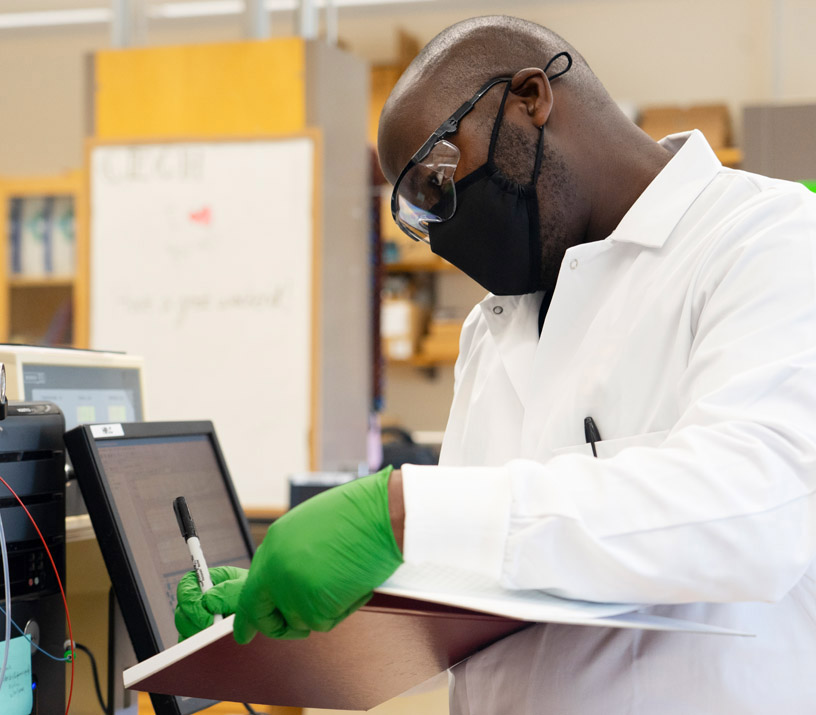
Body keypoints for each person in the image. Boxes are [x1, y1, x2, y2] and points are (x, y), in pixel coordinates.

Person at [176, 15, 816, 714]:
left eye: (437, 177)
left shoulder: (768, 240)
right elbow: (482, 570)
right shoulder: (496, 322)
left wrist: (398, 512)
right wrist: (316, 613)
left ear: (531, 97)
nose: (441, 224)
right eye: (417, 210)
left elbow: (758, 508)